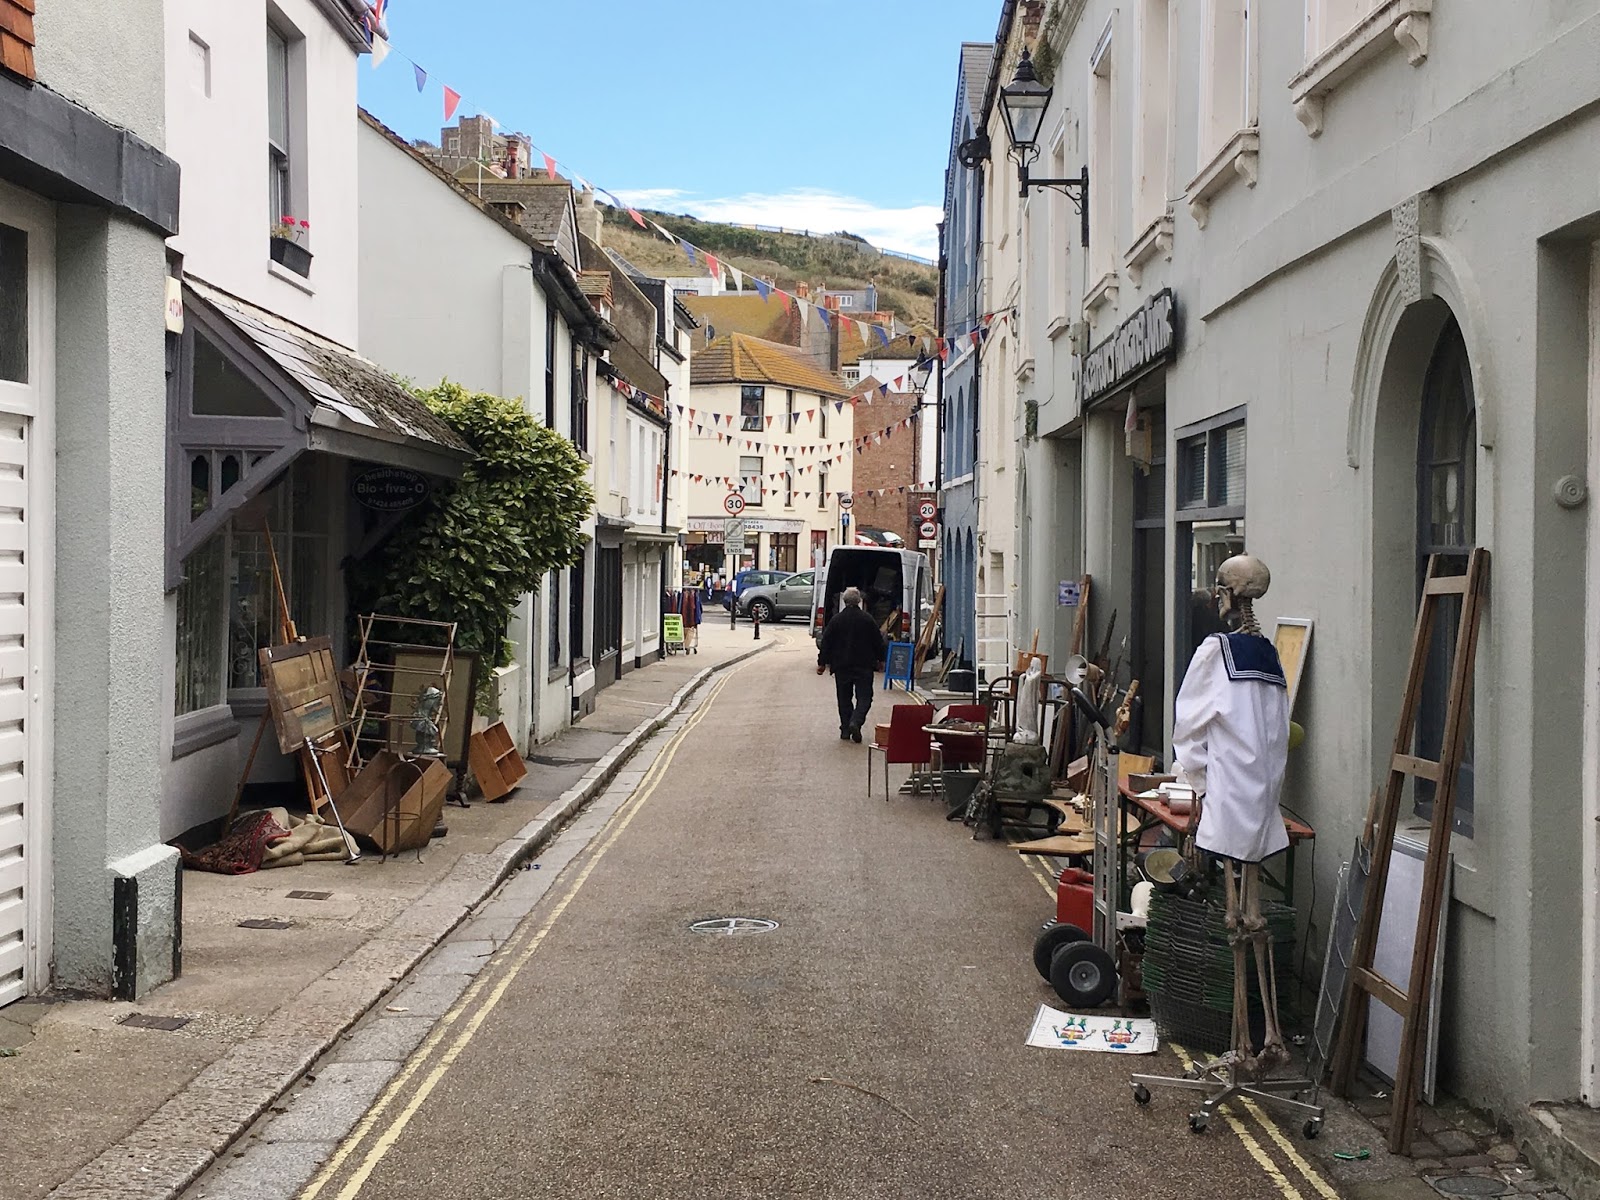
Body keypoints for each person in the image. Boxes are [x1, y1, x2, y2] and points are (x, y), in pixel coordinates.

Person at [816, 586, 886, 742]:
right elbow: (878, 642)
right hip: (864, 665)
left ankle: (845, 729)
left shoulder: (836, 620)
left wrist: (821, 663)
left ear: (844, 601)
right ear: (859, 600)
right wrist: (881, 660)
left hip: (842, 666)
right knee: (865, 697)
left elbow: (826, 642)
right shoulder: (867, 619)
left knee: (844, 698)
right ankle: (856, 720)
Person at [676, 583, 703, 654]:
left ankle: (685, 645)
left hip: (688, 619)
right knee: (689, 630)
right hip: (688, 619)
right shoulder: (686, 597)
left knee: (688, 630)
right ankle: (686, 645)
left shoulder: (692, 597)